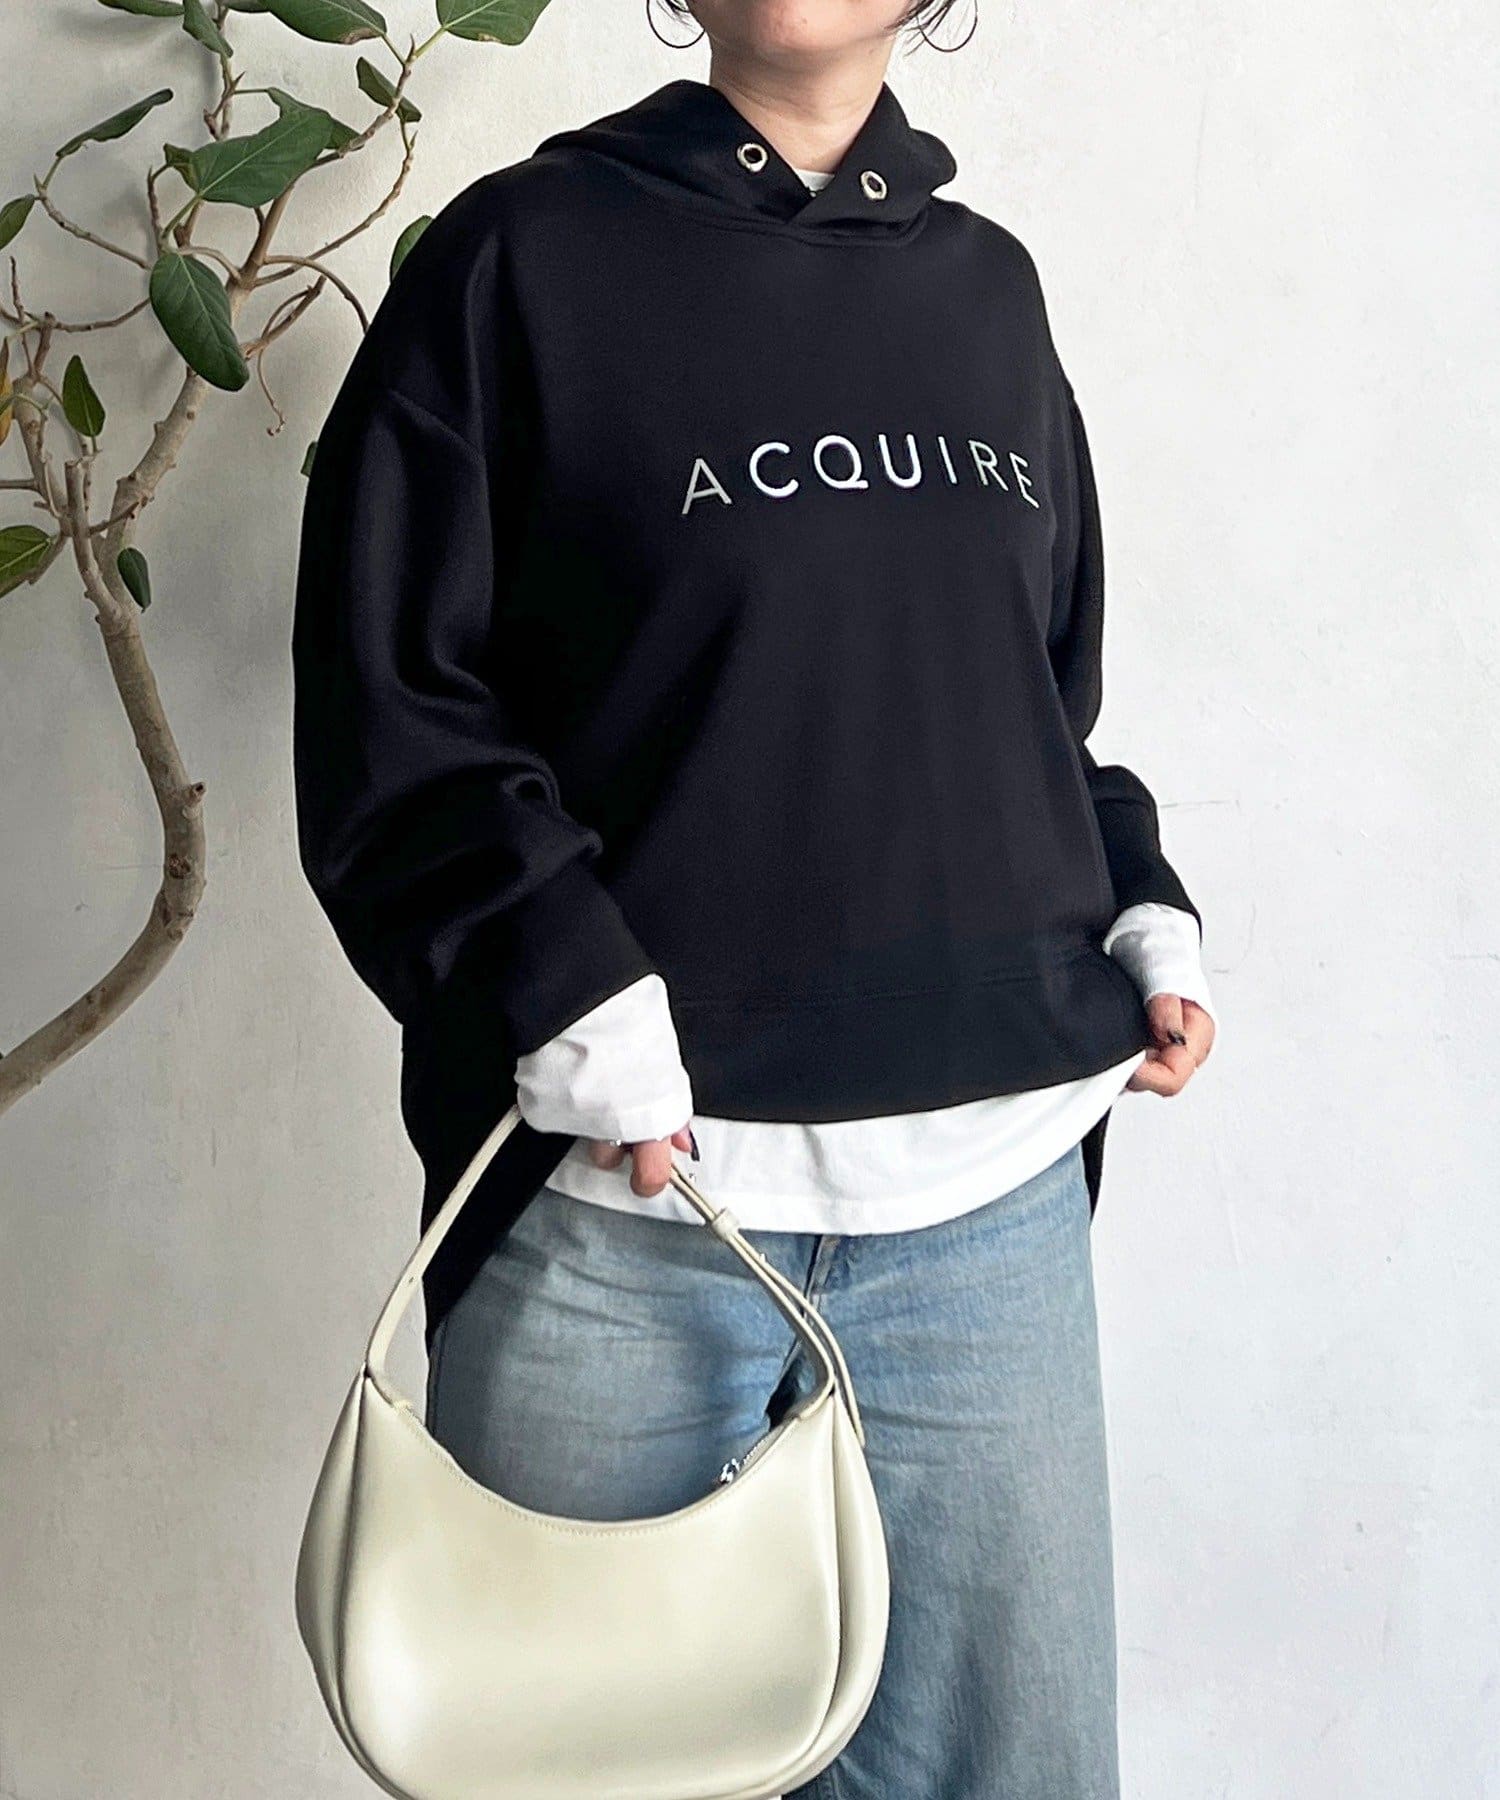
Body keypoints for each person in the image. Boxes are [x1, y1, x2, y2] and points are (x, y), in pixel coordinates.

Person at [290, 3, 1217, 1794]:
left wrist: (1134, 898)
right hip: (619, 1225)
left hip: (992, 1223)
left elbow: (1030, 708)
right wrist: (558, 978)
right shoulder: (520, 262)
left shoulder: (990, 294)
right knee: (578, 1777)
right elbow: (388, 705)